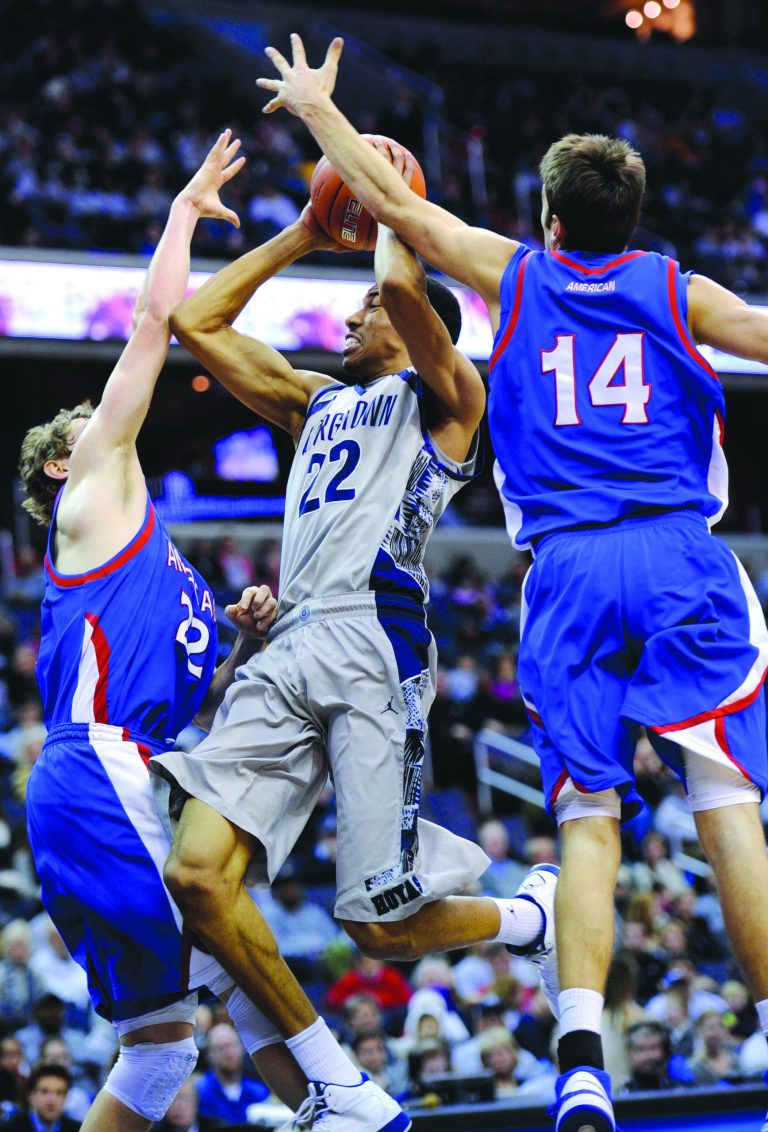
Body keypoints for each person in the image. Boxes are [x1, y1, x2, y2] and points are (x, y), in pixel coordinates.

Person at [257, 33, 768, 1132]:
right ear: (631, 221)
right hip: (681, 558)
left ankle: (581, 1055)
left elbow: (404, 214)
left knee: (588, 818)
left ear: (549, 219)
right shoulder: (681, 289)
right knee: (727, 805)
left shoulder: (519, 273)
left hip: (572, 567)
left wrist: (314, 110)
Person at [150, 171, 560, 1126]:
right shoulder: (313, 402)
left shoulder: (452, 394)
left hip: (375, 643)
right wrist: (301, 230)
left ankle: (525, 918)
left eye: (366, 303)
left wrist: (386, 198)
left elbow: (412, 292)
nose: (354, 311)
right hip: (291, 638)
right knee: (195, 876)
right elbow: (196, 325)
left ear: (413, 326)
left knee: (378, 931)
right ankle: (334, 1084)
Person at [17, 132, 316, 1132]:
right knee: (235, 958)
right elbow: (155, 322)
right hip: (101, 772)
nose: (101, 421)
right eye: (81, 428)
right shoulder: (93, 491)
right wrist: (184, 211)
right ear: (62, 468)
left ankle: (335, 1106)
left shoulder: (158, 563)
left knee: (161, 1044)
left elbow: (191, 704)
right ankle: (344, 1108)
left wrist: (244, 643)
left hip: (113, 774)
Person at [0, 1063, 80, 1131]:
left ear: (66, 1097)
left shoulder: (79, 1129)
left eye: (59, 1093)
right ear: (30, 1095)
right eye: (44, 1091)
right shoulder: (9, 1128)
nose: (52, 1100)